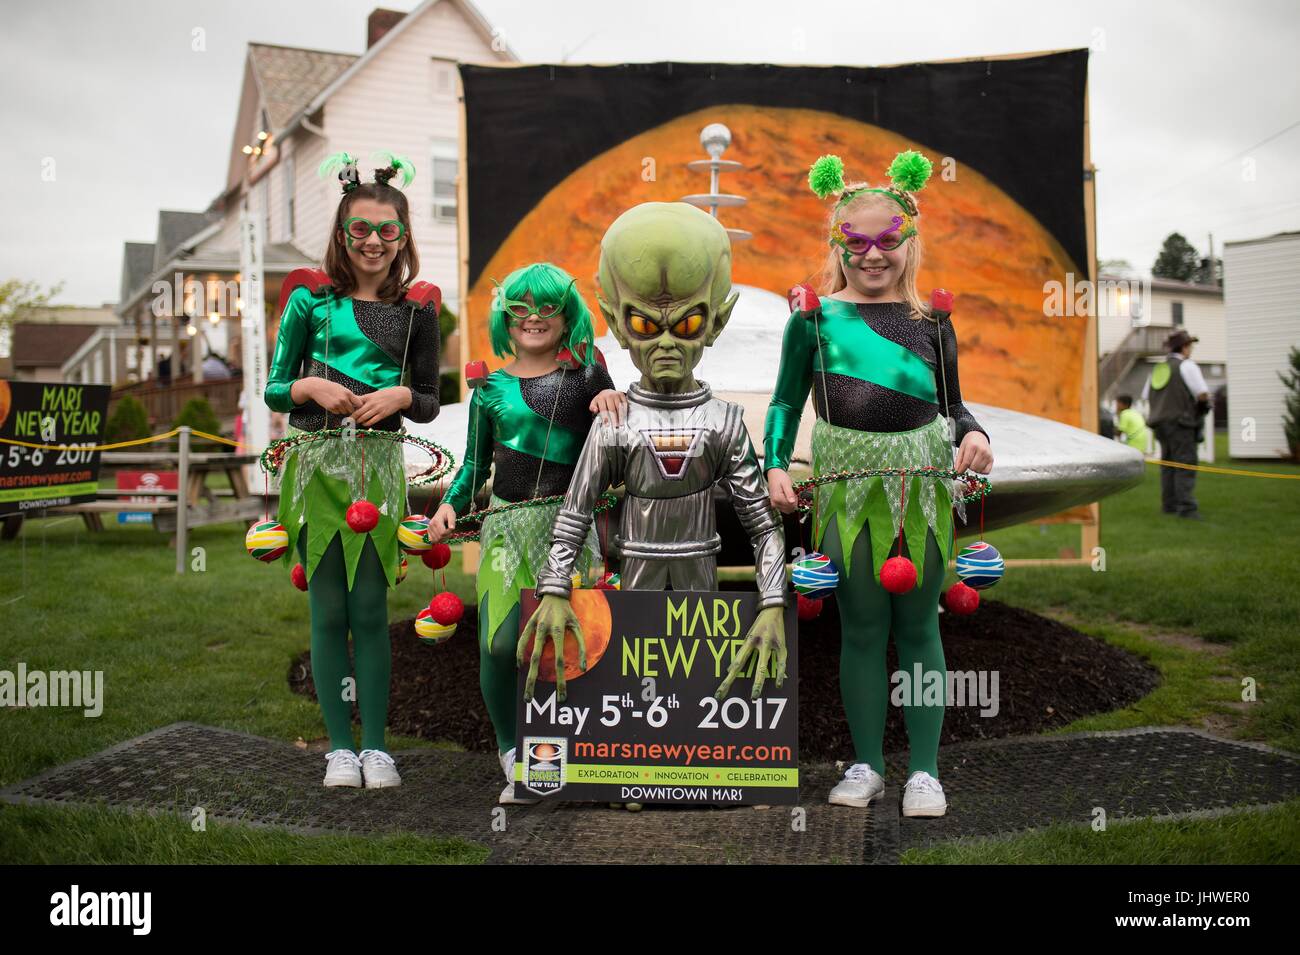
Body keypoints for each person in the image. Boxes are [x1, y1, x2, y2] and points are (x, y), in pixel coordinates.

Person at [765, 151, 993, 818]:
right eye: (856, 241)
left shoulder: (933, 323)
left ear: (908, 242)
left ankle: (925, 770)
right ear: (838, 242)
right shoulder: (812, 320)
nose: (872, 255)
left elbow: (953, 405)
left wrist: (973, 433)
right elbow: (783, 402)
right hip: (848, 486)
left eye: (887, 240)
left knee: (921, 623)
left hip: (921, 485)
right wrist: (776, 459)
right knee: (861, 626)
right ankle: (866, 761)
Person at [524, 202, 788, 702]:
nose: (666, 342)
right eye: (646, 326)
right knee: (633, 677)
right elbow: (574, 513)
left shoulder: (723, 421)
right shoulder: (615, 422)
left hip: (698, 571)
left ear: (715, 323)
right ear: (618, 326)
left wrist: (773, 601)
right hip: (639, 567)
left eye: (686, 325)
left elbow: (761, 523)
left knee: (698, 676)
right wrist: (555, 588)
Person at [264, 151, 441, 788]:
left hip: (378, 471)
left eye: (386, 230)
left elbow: (428, 400)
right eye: (360, 229)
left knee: (370, 610)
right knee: (327, 610)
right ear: (342, 234)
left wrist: (399, 398)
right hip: (317, 469)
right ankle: (338, 746)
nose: (373, 241)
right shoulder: (310, 302)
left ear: (403, 237)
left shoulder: (419, 312)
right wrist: (309, 386)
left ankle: (377, 747)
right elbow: (274, 389)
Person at [429, 262, 625, 805]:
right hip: (505, 527)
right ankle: (512, 750)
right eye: (520, 308)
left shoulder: (588, 375)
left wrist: (613, 402)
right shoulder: (488, 389)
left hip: (570, 527)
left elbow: (615, 440)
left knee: (572, 645)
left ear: (568, 317)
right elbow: (473, 466)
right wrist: (449, 504)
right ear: (503, 317)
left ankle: (576, 758)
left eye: (547, 308)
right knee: (497, 644)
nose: (533, 318)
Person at [1143, 329, 1209, 518]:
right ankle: (1186, 507)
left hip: (1160, 424)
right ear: (1184, 347)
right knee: (1185, 463)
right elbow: (1202, 393)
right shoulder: (1187, 366)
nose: (1191, 350)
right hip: (1181, 422)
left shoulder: (1158, 369)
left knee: (1168, 464)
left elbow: (1146, 395)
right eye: (1190, 346)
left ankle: (1169, 504)